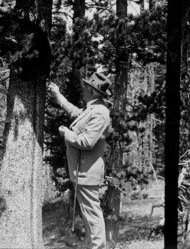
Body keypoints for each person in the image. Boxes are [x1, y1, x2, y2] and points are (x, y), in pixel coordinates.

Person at [48, 72, 112, 249]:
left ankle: (98, 247)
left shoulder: (100, 113)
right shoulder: (92, 109)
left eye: (86, 86)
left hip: (87, 172)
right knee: (88, 214)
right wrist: (58, 95)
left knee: (92, 215)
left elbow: (87, 142)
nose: (83, 88)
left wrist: (66, 133)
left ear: (93, 91)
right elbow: (76, 113)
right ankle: (92, 245)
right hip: (82, 172)